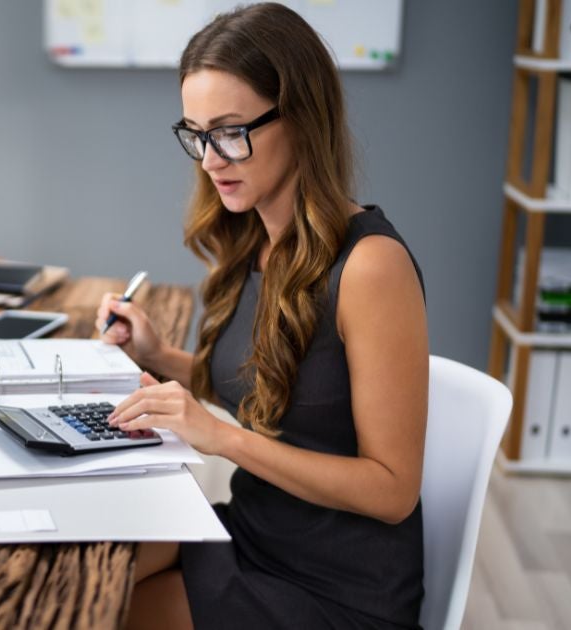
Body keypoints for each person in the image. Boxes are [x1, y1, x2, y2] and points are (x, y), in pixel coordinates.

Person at [95, 4, 428, 629]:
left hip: (336, 589)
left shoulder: (370, 266)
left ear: (301, 118)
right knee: (75, 573)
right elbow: (281, 395)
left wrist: (223, 437)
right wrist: (160, 357)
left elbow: (392, 489)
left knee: (99, 610)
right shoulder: (258, 242)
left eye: (229, 131)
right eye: (195, 134)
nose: (210, 159)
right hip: (253, 533)